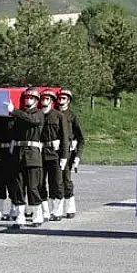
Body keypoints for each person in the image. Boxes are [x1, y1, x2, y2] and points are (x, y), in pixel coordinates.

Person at [5, 87, 45, 229]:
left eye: (31, 98)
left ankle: (37, 214)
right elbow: (11, 131)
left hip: (32, 154)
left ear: (36, 101)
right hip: (18, 153)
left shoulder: (39, 113)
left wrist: (14, 111)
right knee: (18, 187)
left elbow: (32, 120)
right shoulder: (19, 115)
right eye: (27, 98)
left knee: (33, 187)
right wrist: (9, 115)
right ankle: (20, 215)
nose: (28, 100)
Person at [38, 89, 70, 222]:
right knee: (39, 183)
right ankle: (45, 211)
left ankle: (57, 210)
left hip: (55, 155)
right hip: (40, 153)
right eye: (42, 99)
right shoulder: (38, 115)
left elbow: (64, 138)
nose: (44, 101)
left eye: (47, 99)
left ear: (51, 101)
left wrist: (64, 156)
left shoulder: (58, 116)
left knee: (56, 183)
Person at [57, 89, 84, 219]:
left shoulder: (72, 116)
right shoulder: (53, 113)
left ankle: (70, 207)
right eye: (59, 98)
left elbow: (81, 139)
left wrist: (77, 157)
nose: (61, 100)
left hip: (68, 152)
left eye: (63, 98)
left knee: (66, 180)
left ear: (68, 100)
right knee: (56, 181)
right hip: (54, 151)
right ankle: (57, 209)